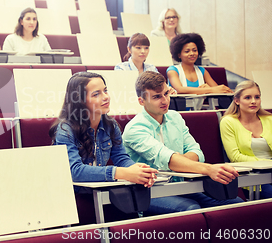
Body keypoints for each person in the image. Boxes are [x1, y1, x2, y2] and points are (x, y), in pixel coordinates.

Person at [123, 71, 243, 215]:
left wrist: (177, 161)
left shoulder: (175, 117)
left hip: (182, 186)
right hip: (148, 192)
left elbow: (197, 153)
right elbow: (166, 158)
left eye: (166, 93)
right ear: (141, 101)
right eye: (156, 97)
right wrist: (207, 169)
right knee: (191, 209)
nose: (165, 100)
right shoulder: (135, 128)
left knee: (236, 204)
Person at [50, 72, 158, 192]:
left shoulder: (110, 125)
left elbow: (121, 157)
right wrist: (122, 173)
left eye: (105, 90)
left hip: (102, 192)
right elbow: (75, 171)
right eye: (96, 94)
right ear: (79, 101)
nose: (106, 97)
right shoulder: (65, 130)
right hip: (75, 195)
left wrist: (139, 171)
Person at [220, 80, 272, 199]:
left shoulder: (269, 119)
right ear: (237, 100)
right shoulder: (228, 122)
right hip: (251, 175)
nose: (253, 101)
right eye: (248, 97)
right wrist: (267, 163)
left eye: (257, 97)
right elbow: (235, 157)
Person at [167, 33, 232, 94]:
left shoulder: (202, 71)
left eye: (194, 50)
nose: (192, 54)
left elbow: (219, 90)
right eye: (187, 51)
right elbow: (180, 90)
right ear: (179, 55)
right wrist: (209, 90)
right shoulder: (172, 70)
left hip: (200, 106)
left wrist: (212, 89)